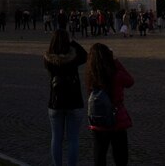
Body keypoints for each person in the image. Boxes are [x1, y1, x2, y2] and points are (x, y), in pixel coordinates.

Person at [44, 29, 87, 166]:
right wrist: (72, 42)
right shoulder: (73, 58)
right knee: (73, 139)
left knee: (56, 138)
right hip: (74, 100)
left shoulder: (48, 60)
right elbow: (85, 55)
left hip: (55, 101)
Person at [85, 43, 134, 166]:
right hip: (117, 117)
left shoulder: (92, 76)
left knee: (99, 155)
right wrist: (116, 62)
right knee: (120, 156)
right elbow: (130, 81)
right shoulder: (116, 74)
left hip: (99, 119)